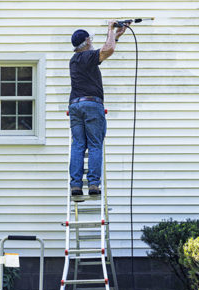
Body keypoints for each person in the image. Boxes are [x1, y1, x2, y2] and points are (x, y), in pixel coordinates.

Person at [68, 20, 127, 196]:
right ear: (86, 41)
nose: (92, 42)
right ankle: (93, 184)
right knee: (94, 144)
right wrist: (110, 29)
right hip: (91, 105)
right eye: (90, 40)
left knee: (78, 145)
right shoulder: (88, 56)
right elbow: (108, 50)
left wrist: (115, 36)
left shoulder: (74, 60)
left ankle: (76, 186)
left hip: (75, 105)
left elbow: (105, 49)